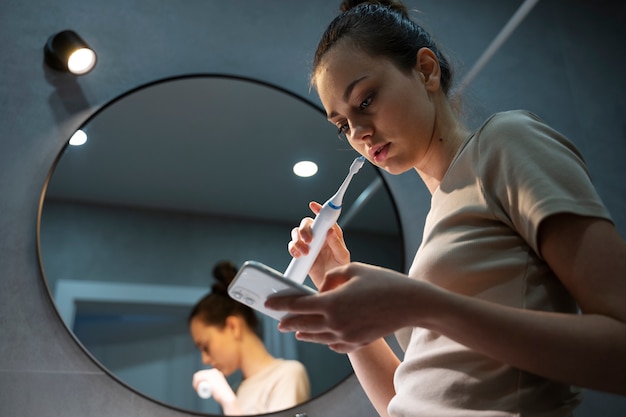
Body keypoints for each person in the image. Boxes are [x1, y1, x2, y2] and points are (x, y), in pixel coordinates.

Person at [265, 1, 626, 416]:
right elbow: (404, 405)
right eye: (342, 124)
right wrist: (332, 279)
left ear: (426, 70)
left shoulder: (505, 143)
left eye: (365, 101)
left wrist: (420, 304)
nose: (360, 133)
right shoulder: (441, 219)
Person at [188, 260, 310, 415]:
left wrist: (229, 403)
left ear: (233, 327)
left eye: (205, 346)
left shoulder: (287, 375)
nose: (204, 359)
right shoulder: (237, 390)